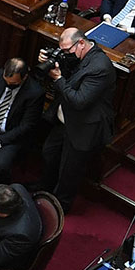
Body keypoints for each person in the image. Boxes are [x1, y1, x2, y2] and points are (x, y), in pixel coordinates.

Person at [38, 26, 115, 208]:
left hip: (84, 127)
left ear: (81, 43)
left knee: (69, 171)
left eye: (67, 51)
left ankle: (59, 207)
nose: (66, 54)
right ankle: (44, 190)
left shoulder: (100, 68)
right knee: (49, 153)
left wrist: (58, 79)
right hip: (65, 121)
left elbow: (79, 100)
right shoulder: (82, 55)